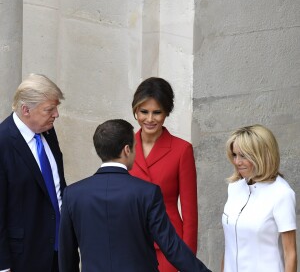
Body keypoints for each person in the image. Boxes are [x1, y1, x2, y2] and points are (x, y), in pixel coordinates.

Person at [58, 119, 211, 272]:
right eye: (135, 146)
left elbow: (67, 254)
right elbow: (171, 247)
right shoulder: (147, 193)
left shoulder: (72, 194)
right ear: (126, 150)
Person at [130, 77, 198, 272]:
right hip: (130, 242)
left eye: (157, 112)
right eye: (144, 112)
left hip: (169, 246)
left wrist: (187, 258)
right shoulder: (124, 146)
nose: (150, 119)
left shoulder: (182, 149)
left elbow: (190, 210)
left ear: (166, 112)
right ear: (136, 110)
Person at [0, 73, 66, 272]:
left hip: (59, 251)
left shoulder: (47, 130)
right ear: (26, 110)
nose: (56, 114)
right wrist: (3, 265)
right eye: (49, 109)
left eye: (56, 108)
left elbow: (57, 185)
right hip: (24, 257)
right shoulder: (3, 143)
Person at [222, 124, 297, 272]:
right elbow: (228, 244)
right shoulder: (234, 188)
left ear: (261, 155)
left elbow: (291, 254)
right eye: (235, 154)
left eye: (243, 155)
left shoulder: (281, 193)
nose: (237, 162)